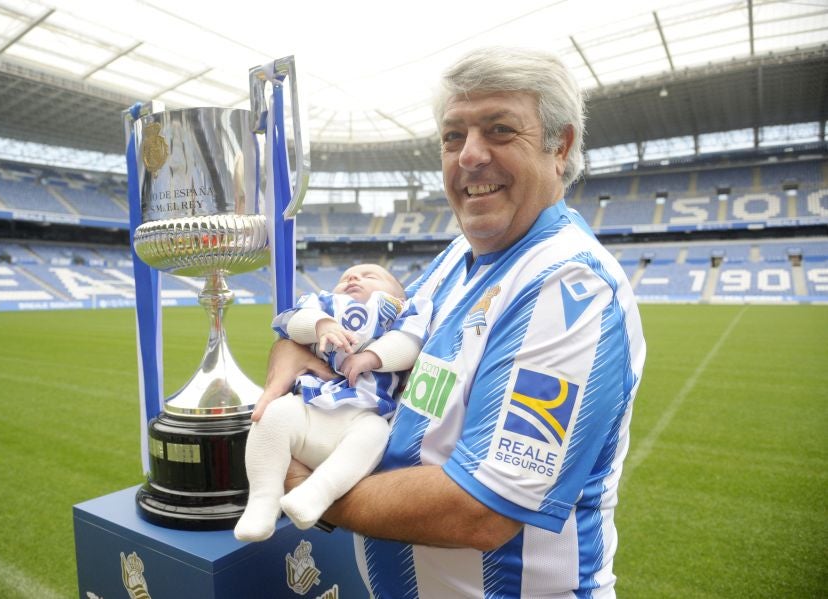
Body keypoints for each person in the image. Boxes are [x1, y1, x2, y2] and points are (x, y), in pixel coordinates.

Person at [255, 47, 646, 597]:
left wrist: (307, 487)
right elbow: (327, 345)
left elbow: (481, 510)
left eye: (501, 130)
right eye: (452, 137)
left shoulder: (568, 289)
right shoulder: (452, 263)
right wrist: (284, 371)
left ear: (560, 146)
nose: (469, 156)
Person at [234, 263, 431, 542]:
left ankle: (315, 495)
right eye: (345, 276)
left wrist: (372, 357)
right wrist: (320, 324)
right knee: (273, 414)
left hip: (362, 414)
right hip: (311, 407)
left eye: (370, 275)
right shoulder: (322, 304)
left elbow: (408, 343)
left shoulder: (401, 310)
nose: (353, 277)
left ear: (399, 296)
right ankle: (262, 502)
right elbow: (293, 324)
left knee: (374, 434)